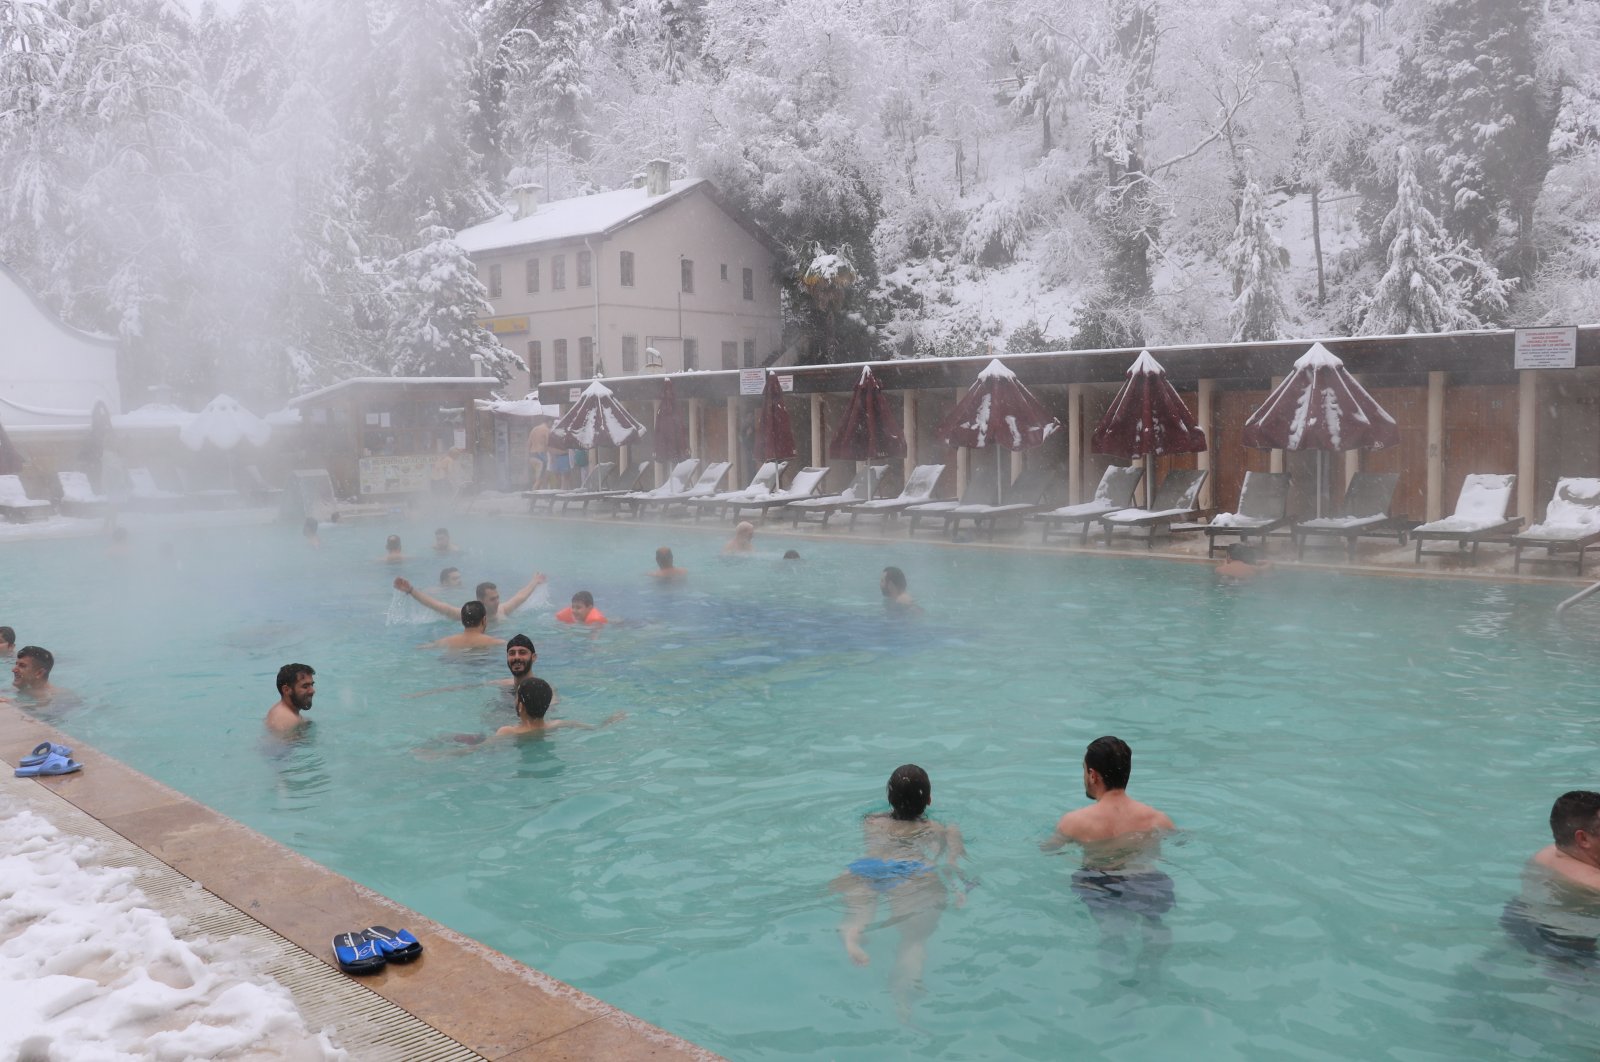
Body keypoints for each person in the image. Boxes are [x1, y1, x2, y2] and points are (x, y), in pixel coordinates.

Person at [831, 765, 968, 1019]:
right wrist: (959, 888)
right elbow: (952, 863)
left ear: (889, 798)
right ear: (929, 799)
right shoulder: (940, 828)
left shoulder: (871, 821)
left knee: (859, 910)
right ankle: (903, 998)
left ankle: (853, 932)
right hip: (910, 871)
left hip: (869, 866)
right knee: (913, 941)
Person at [1044, 736, 1176, 968]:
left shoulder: (1074, 822)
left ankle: (1114, 973)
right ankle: (1151, 966)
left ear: (1093, 775)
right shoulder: (1157, 819)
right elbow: (1181, 840)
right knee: (1154, 922)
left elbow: (1049, 850)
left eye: (1084, 771)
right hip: (1146, 881)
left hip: (1100, 882)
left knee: (1112, 931)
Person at [1502, 791, 1600, 964]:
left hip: (1519, 918)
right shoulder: (1592, 882)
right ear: (1583, 838)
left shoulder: (1545, 855)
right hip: (1566, 946)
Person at [395, 572, 547, 625]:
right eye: (492, 599)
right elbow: (437, 606)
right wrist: (411, 590)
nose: (497, 601)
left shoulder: (502, 610)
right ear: (481, 601)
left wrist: (535, 581)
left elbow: (520, 596)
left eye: (497, 597)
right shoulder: (468, 615)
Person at [495, 677, 624, 738]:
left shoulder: (507, 731)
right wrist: (611, 720)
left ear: (520, 706)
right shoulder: (558, 724)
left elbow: (484, 747)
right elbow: (595, 728)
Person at [421, 601, 505, 651]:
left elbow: (422, 648)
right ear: (484, 620)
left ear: (462, 620)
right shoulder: (495, 642)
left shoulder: (445, 641)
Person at [265, 663, 315, 732]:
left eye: (312, 685)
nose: (312, 691)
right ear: (286, 690)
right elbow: (281, 742)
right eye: (305, 686)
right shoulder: (286, 721)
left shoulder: (288, 713)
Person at [527, 420, 552, 489]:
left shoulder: (534, 429)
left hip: (532, 455)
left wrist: (527, 456)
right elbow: (548, 444)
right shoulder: (546, 430)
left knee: (539, 476)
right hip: (540, 455)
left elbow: (528, 443)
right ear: (549, 422)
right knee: (540, 479)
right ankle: (532, 497)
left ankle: (541, 494)